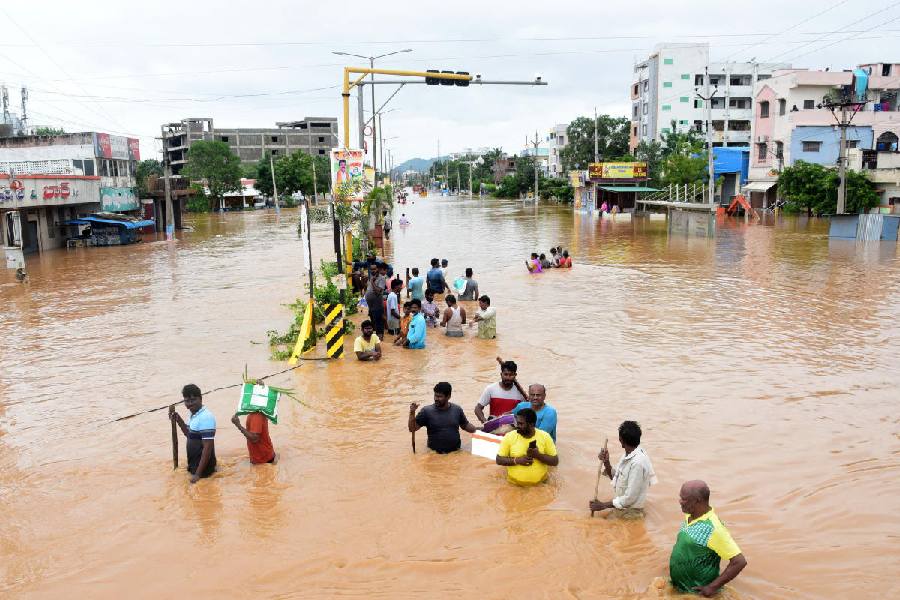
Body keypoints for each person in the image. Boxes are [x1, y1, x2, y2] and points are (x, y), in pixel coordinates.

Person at [669, 481, 748, 597]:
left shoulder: (713, 529)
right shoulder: (689, 515)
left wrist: (712, 587)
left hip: (696, 593)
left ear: (697, 501)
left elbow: (739, 562)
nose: (680, 501)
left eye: (684, 499)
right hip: (680, 588)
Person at [589, 421, 657, 516]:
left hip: (631, 513)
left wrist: (603, 505)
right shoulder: (628, 454)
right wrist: (606, 462)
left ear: (621, 440)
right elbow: (616, 478)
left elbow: (630, 498)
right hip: (622, 508)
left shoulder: (638, 463)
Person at [408, 382, 477, 454]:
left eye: (440, 396)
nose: (436, 399)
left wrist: (480, 430)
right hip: (435, 455)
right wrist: (412, 413)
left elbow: (465, 425)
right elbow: (412, 428)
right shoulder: (427, 411)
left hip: (456, 453)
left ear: (448, 396)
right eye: (435, 396)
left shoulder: (457, 409)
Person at [495, 408, 558, 485]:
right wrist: (517, 460)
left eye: (521, 424)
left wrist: (538, 455)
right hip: (514, 485)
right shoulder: (509, 436)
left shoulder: (545, 436)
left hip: (540, 485)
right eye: (517, 423)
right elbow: (499, 459)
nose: (517, 426)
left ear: (531, 424)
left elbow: (555, 461)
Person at [169, 384, 216, 483]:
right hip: (194, 466)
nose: (190, 403)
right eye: (187, 401)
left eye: (193, 400)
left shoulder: (206, 417)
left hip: (204, 471)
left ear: (200, 399)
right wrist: (178, 419)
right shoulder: (193, 414)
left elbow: (208, 448)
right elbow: (189, 435)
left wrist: (198, 475)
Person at [365, 263, 387, 337]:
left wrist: (372, 282)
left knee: (378, 320)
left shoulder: (381, 278)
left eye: (374, 269)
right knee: (373, 321)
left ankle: (380, 337)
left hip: (377, 304)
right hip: (371, 305)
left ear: (378, 269)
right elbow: (368, 289)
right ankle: (374, 337)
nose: (372, 270)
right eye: (371, 269)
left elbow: (378, 292)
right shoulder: (371, 277)